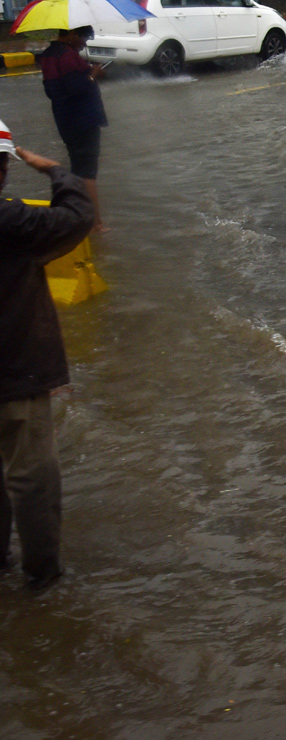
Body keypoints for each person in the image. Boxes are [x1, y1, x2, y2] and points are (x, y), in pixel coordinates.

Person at [0, 121, 95, 592]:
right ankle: (41, 576)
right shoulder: (12, 223)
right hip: (15, 372)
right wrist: (56, 170)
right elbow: (77, 216)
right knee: (31, 477)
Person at [40, 25, 107, 232]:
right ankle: (95, 224)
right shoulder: (67, 57)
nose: (85, 42)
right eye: (84, 37)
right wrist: (93, 74)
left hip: (66, 121)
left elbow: (53, 90)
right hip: (83, 121)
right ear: (72, 34)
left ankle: (78, 218)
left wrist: (86, 71)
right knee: (87, 173)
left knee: (78, 169)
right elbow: (76, 88)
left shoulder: (49, 55)